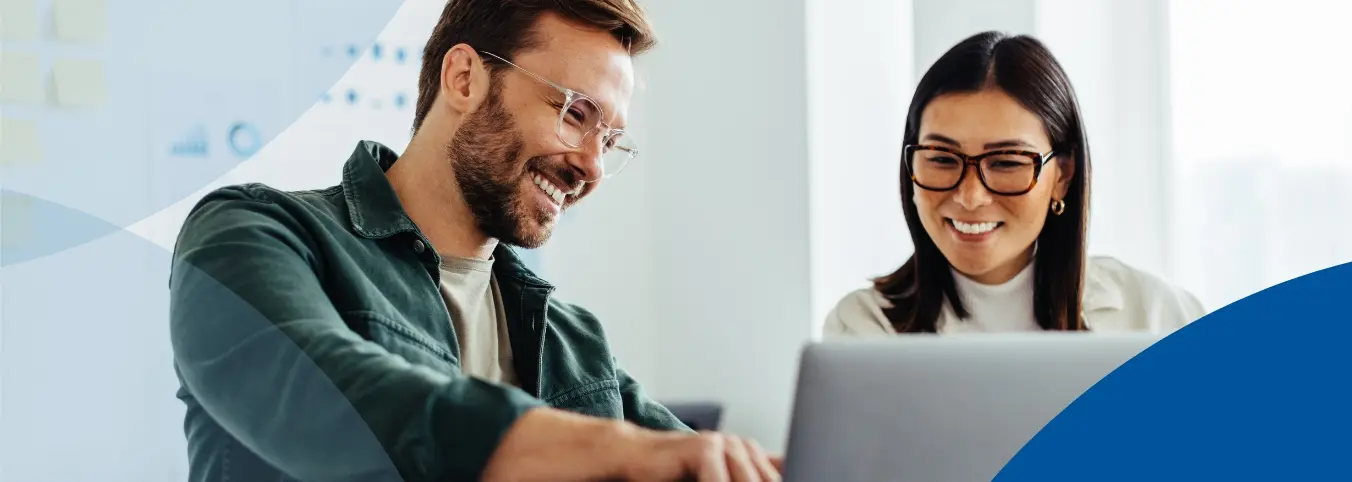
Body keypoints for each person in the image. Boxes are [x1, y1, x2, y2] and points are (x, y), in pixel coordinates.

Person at [167, 1, 781, 481]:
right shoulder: (253, 235)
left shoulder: (575, 341)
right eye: (574, 113)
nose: (592, 164)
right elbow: (340, 399)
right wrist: (608, 448)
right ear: (464, 78)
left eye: (611, 139)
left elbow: (690, 458)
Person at [824, 31, 1204, 337]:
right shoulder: (862, 328)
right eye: (941, 159)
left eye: (1006, 162)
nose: (970, 196)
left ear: (1063, 176)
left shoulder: (1158, 317)